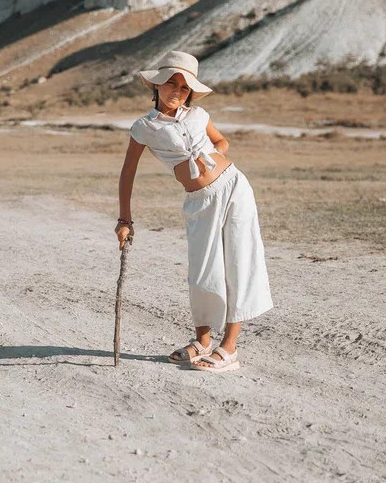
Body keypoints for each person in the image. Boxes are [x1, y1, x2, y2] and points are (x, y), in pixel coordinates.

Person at [116, 50, 273, 373]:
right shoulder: (144, 127)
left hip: (234, 187)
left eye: (184, 87)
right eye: (171, 84)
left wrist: (210, 156)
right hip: (200, 200)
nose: (177, 91)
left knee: (239, 262)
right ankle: (203, 340)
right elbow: (127, 172)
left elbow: (222, 141)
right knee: (203, 271)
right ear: (156, 86)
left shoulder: (199, 115)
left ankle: (229, 348)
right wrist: (124, 219)